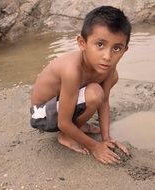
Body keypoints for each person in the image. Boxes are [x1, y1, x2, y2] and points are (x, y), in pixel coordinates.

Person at [30, 6, 131, 164]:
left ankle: (75, 128)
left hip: (62, 106)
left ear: (125, 50)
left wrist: (106, 139)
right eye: (100, 45)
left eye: (116, 48)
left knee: (104, 88)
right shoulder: (72, 70)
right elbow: (63, 122)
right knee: (94, 93)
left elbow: (104, 102)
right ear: (82, 43)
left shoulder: (109, 68)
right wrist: (95, 147)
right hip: (42, 115)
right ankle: (66, 135)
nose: (107, 56)